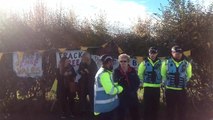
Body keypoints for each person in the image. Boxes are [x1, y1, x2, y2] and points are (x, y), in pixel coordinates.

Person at [161, 45, 192, 120]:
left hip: (181, 90)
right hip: (170, 90)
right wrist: (167, 82)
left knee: (182, 111)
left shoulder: (187, 64)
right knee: (170, 110)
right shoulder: (166, 63)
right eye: (176, 52)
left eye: (180, 52)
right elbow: (163, 74)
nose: (178, 54)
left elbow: (189, 75)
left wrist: (183, 82)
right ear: (172, 53)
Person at [94, 54, 123, 120]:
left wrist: (116, 83)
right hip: (104, 109)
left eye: (111, 62)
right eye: (108, 62)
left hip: (106, 107)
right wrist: (120, 88)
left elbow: (110, 85)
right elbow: (111, 91)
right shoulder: (104, 74)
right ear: (104, 63)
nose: (111, 64)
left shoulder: (106, 72)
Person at [113, 53, 140, 120]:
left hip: (132, 96)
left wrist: (133, 91)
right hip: (121, 97)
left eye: (124, 61)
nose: (123, 63)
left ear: (128, 61)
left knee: (135, 115)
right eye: (121, 61)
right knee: (120, 116)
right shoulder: (116, 71)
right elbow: (114, 83)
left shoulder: (132, 70)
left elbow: (137, 82)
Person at [138, 47, 162, 120]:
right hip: (147, 87)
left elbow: (163, 73)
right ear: (149, 53)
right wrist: (143, 82)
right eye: (151, 53)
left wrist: (162, 82)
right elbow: (140, 74)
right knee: (146, 106)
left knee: (156, 106)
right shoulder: (144, 63)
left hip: (157, 87)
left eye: (154, 53)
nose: (152, 54)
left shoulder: (161, 63)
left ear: (157, 53)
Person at [77, 52, 98, 118]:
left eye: (85, 58)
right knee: (82, 97)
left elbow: (95, 73)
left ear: (88, 58)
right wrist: (81, 71)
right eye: (83, 58)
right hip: (83, 83)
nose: (84, 59)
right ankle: (83, 111)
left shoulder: (93, 63)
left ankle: (93, 111)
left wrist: (88, 71)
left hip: (91, 83)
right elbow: (79, 70)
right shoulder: (82, 63)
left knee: (92, 97)